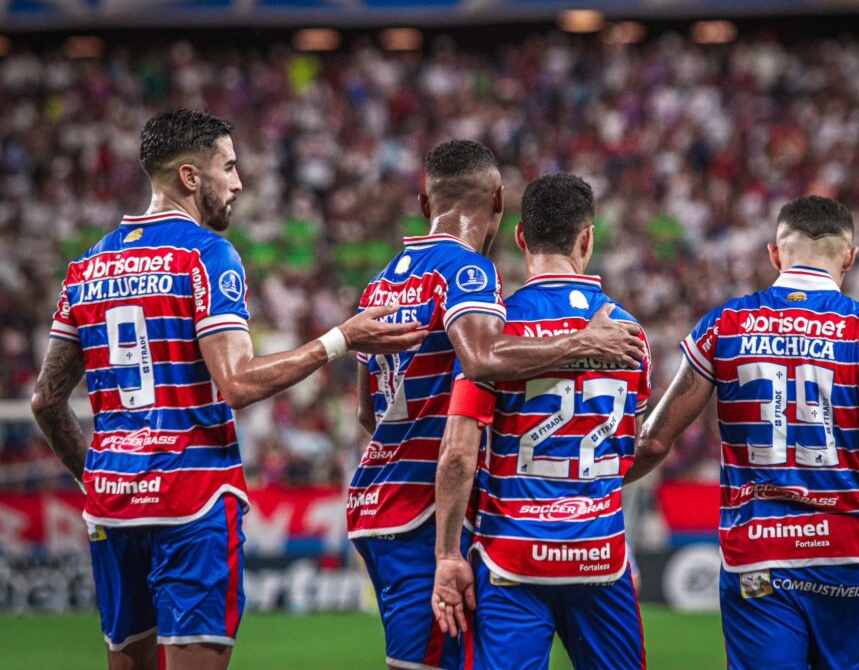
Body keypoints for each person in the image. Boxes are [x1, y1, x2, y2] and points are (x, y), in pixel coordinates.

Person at [31, 108, 426, 670]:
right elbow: (237, 383)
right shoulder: (206, 255)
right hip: (193, 501)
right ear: (191, 177)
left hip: (113, 503)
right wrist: (341, 338)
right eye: (229, 167)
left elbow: (46, 401)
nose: (238, 182)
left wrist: (94, 476)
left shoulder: (86, 266)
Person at [625, 195, 859, 669]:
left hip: (758, 553)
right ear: (850, 257)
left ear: (775, 253)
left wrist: (585, 487)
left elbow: (652, 441)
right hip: (846, 554)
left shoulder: (724, 325)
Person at [349, 144, 645, 670]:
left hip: (377, 502)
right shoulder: (474, 276)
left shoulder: (379, 284)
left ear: (424, 202)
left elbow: (365, 415)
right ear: (498, 201)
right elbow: (483, 360)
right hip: (432, 511)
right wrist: (581, 342)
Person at [430, 173, 652, 669]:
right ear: (588, 237)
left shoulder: (492, 332)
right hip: (600, 556)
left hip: (512, 559)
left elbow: (459, 454)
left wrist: (447, 555)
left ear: (521, 237)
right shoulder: (629, 333)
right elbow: (632, 446)